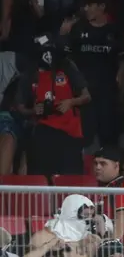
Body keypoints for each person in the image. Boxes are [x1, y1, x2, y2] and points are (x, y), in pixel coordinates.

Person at [14, 34, 89, 176]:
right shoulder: (30, 73)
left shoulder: (67, 66)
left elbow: (86, 96)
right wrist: (33, 110)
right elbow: (20, 105)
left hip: (70, 131)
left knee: (70, 176)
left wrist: (71, 102)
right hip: (44, 130)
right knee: (41, 174)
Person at [66, 0, 122, 147]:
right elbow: (68, 61)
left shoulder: (114, 31)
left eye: (89, 5)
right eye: (84, 5)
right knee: (81, 141)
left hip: (107, 94)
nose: (85, 9)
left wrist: (122, 94)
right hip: (84, 95)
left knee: (109, 140)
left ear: (102, 6)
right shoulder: (77, 30)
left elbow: (123, 65)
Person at [93, 146, 124, 250]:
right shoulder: (108, 186)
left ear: (116, 165)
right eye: (96, 163)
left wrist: (113, 247)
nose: (97, 167)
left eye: (103, 163)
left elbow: (122, 219)